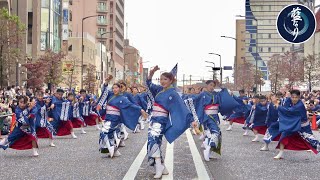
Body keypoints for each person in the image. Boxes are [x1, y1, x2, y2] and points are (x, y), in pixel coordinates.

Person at [146, 66, 195, 179]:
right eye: (161, 79)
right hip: (153, 120)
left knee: (153, 140)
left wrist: (191, 120)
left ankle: (158, 167)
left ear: (171, 81)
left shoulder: (173, 93)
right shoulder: (159, 90)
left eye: (165, 79)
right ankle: (162, 166)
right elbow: (149, 83)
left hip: (162, 121)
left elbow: (182, 107)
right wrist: (151, 74)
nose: (162, 81)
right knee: (155, 143)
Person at [98, 82, 147, 158]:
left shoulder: (123, 98)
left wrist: (141, 110)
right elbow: (104, 92)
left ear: (120, 89)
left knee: (104, 132)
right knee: (109, 135)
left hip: (115, 119)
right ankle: (115, 150)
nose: (114, 89)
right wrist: (106, 83)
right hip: (108, 118)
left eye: (116, 88)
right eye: (113, 88)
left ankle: (112, 148)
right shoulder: (110, 95)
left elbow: (131, 105)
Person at [267, 90, 320, 159]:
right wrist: (275, 99)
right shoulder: (289, 100)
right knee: (284, 135)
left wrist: (277, 104)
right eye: (293, 97)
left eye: (296, 97)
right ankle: (280, 153)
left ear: (299, 97)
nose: (294, 99)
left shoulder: (299, 105)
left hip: (302, 126)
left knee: (312, 141)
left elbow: (287, 111)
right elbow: (285, 105)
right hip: (292, 123)